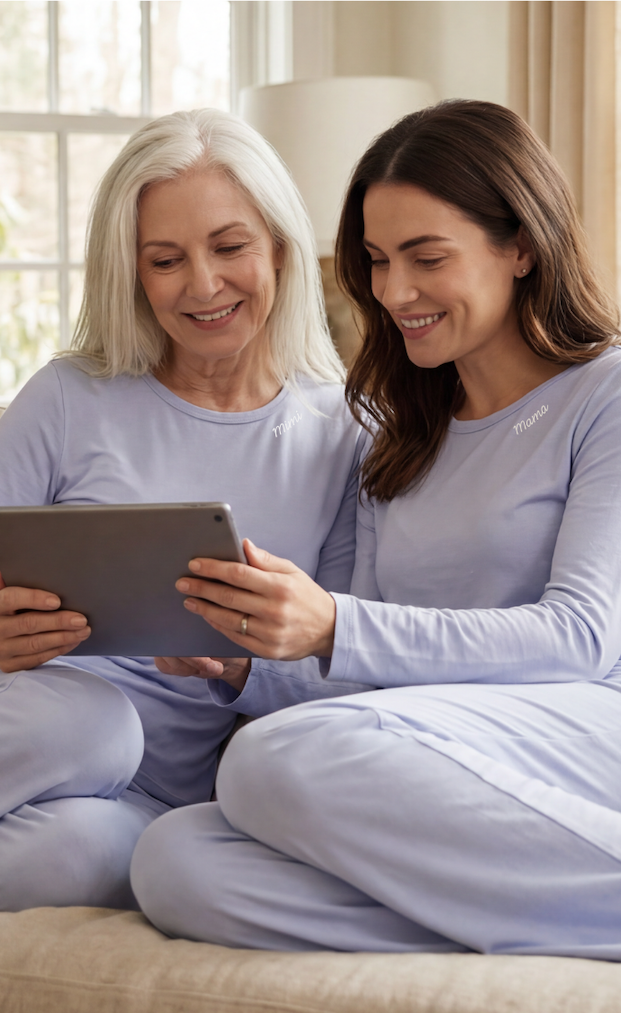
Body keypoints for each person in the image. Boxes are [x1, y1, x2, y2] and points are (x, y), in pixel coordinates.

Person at [131, 100, 621, 962]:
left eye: (427, 257)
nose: (393, 293)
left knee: (271, 760)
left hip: (618, 723)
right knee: (177, 857)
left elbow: (579, 638)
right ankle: (546, 921)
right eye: (379, 261)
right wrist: (245, 663)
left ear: (521, 246)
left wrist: (333, 623)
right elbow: (368, 674)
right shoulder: (401, 438)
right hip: (447, 740)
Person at [0, 108, 368, 912]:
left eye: (230, 247)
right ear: (132, 273)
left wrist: (239, 665)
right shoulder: (67, 398)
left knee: (88, 856)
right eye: (166, 260)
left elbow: (345, 669)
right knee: (95, 722)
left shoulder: (341, 434)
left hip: (153, 801)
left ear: (279, 246)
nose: (203, 285)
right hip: (36, 725)